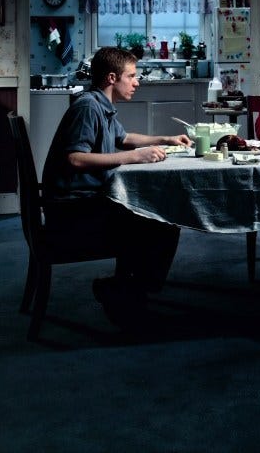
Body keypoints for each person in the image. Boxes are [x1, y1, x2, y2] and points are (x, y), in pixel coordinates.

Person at [42, 46, 193, 325]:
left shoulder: (100, 105)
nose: (137, 82)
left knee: (155, 215)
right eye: (132, 76)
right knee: (162, 218)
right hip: (72, 212)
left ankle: (125, 289)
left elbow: (124, 138)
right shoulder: (88, 108)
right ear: (112, 78)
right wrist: (135, 157)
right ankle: (127, 290)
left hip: (85, 202)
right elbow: (75, 158)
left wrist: (166, 139)